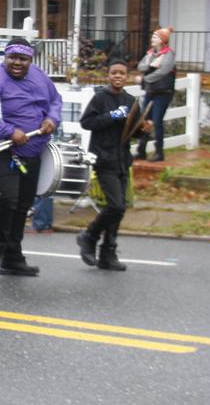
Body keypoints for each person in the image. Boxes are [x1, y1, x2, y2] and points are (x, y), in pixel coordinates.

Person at [0, 37, 62, 280]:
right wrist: (9, 131)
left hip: (34, 151)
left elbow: (55, 101)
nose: (17, 63)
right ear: (5, 57)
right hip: (4, 151)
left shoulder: (40, 77)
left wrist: (52, 119)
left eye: (23, 59)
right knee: (8, 201)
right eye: (13, 58)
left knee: (23, 204)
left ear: (31, 59)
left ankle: (13, 258)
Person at [75, 61, 153, 271]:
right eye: (114, 73)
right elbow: (87, 123)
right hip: (104, 159)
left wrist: (144, 130)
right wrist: (112, 115)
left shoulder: (130, 100)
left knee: (119, 209)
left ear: (127, 77)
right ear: (108, 75)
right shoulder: (101, 97)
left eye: (122, 73)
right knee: (116, 205)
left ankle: (108, 254)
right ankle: (89, 236)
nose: (118, 76)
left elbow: (132, 132)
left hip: (122, 160)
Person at [134, 27, 175, 162]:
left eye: (155, 37)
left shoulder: (169, 54)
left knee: (156, 121)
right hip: (150, 91)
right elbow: (141, 66)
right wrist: (152, 65)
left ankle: (159, 152)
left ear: (163, 40)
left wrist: (145, 79)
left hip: (163, 93)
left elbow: (163, 71)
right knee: (144, 121)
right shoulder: (151, 53)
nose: (152, 39)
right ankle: (141, 150)